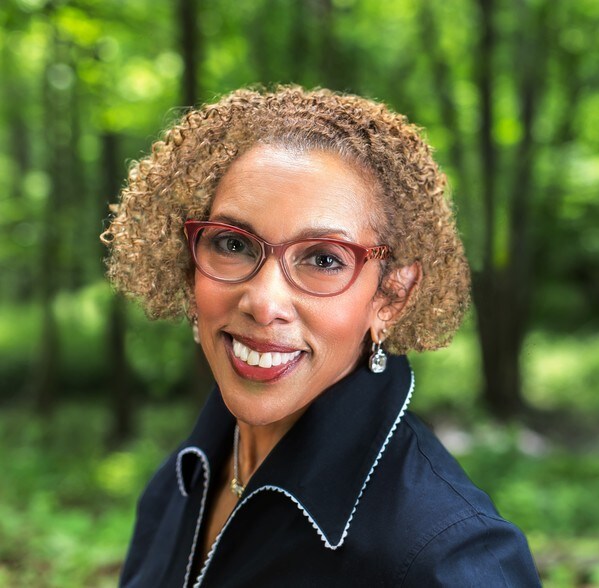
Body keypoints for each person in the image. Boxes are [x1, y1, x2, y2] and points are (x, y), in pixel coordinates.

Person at [101, 85, 541, 587]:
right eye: (233, 244)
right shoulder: (179, 483)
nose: (263, 302)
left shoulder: (447, 557)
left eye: (324, 259)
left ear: (391, 297)